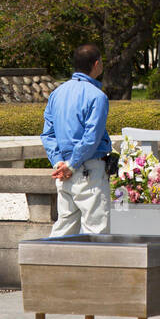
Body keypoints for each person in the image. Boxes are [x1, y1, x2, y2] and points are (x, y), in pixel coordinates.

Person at [41, 43, 112, 237]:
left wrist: (59, 162)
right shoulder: (97, 97)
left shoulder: (56, 94)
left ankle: (49, 257)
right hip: (89, 170)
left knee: (63, 229)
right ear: (96, 64)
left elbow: (48, 134)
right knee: (96, 231)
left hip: (62, 171)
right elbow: (91, 137)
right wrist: (72, 165)